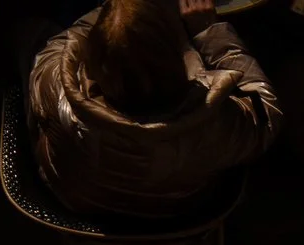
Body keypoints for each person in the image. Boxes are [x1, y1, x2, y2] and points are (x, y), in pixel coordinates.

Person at [27, 0, 282, 218]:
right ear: (179, 59)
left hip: (81, 203)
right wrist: (210, 32)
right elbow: (267, 113)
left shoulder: (55, 81)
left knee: (31, 30)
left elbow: (66, 43)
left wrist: (120, 16)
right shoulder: (213, 123)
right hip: (178, 211)